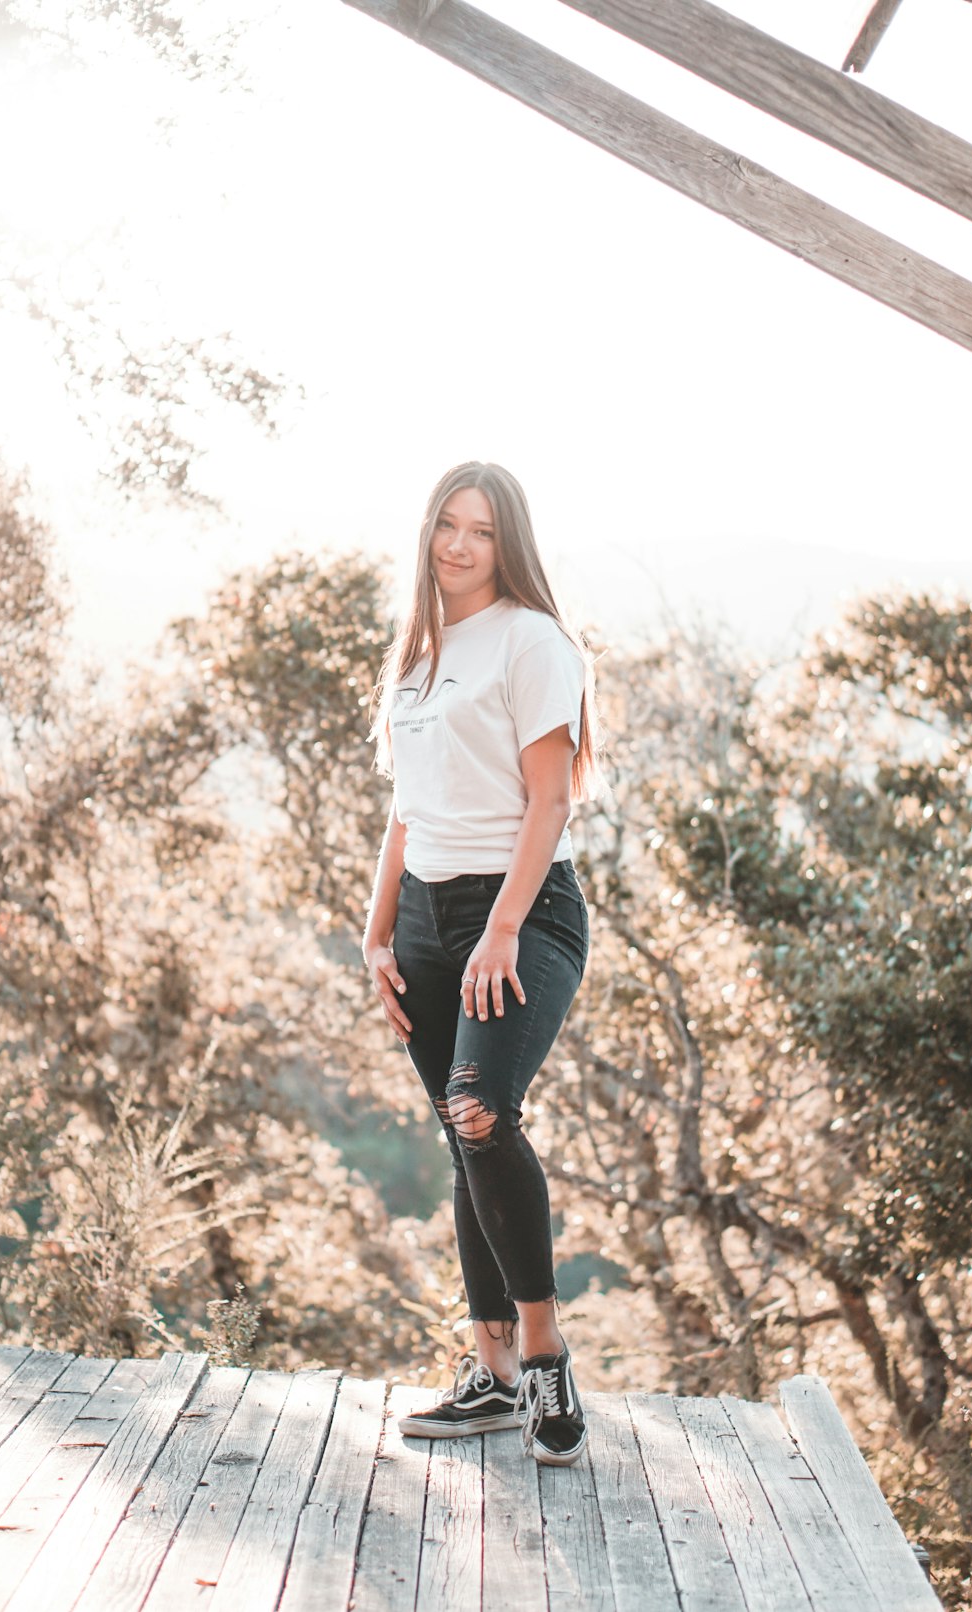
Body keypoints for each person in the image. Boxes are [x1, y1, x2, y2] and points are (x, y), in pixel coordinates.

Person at [362, 461, 600, 1466]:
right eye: (447, 526)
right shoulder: (414, 654)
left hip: (521, 909)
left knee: (481, 1108)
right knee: (462, 1137)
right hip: (422, 920)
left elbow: (549, 800)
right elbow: (405, 811)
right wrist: (376, 933)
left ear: (509, 545)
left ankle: (541, 1350)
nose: (459, 545)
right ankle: (489, 1370)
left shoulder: (531, 642)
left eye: (482, 531)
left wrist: (501, 928)